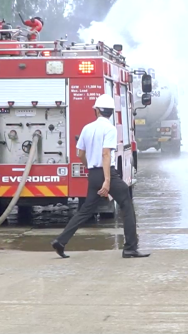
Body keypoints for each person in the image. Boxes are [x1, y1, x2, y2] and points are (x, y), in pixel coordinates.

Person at [51, 94, 149, 259]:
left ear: (96, 110)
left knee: (85, 211)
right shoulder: (110, 129)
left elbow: (80, 153)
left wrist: (90, 168)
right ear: (111, 112)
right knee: (126, 204)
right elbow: (105, 154)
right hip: (106, 173)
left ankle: (61, 241)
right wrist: (107, 181)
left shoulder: (87, 128)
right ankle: (130, 247)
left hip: (93, 173)